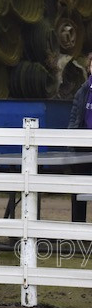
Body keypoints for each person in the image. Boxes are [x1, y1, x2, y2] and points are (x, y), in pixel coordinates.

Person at [68, 52, 92, 222]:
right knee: (78, 189)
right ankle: (77, 230)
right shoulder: (82, 92)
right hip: (83, 147)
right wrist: (71, 146)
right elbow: (74, 119)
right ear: (89, 68)